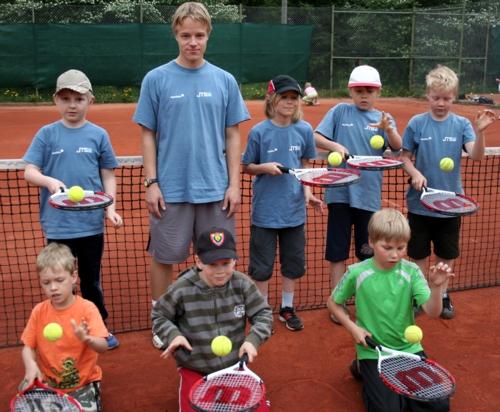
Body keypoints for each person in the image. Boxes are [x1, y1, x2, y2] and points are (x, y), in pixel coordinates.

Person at [132, 1, 250, 349]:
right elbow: (148, 134)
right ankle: (161, 320)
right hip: (170, 190)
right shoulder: (156, 79)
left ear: (208, 35)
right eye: (186, 35)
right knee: (165, 258)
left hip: (216, 190)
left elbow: (233, 135)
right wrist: (152, 183)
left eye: (199, 35)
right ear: (176, 35)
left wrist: (234, 185)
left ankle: (215, 318)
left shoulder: (224, 80)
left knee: (219, 258)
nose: (193, 42)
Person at [23, 69, 122, 349]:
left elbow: (108, 175)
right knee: (60, 281)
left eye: (78, 99)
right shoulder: (46, 135)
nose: (72, 105)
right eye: (65, 98)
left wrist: (110, 208)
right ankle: (66, 328)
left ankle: (99, 327)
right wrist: (48, 181)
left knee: (91, 281)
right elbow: (29, 171)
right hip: (57, 226)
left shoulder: (98, 135)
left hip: (91, 226)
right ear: (56, 100)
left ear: (90, 100)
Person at [328, 208, 454, 412]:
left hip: (409, 349)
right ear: (371, 242)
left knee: (438, 407)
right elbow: (333, 303)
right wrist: (353, 328)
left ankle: (369, 374)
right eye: (387, 247)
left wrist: (437, 287)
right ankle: (363, 368)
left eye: (401, 247)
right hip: (372, 351)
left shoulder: (412, 272)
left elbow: (432, 312)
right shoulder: (357, 273)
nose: (395, 254)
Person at [401, 65, 496, 319]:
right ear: (428, 95)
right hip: (419, 205)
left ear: (454, 97)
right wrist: (415, 173)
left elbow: (477, 156)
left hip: (451, 206)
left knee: (445, 255)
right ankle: (420, 296)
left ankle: (442, 296)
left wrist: (480, 133)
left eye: (446, 98)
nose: (441, 103)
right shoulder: (417, 123)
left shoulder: (462, 124)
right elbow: (405, 157)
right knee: (418, 255)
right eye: (436, 97)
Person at [314, 65, 402, 323]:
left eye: (369, 91)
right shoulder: (339, 111)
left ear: (378, 92)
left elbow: (397, 147)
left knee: (367, 253)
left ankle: (365, 301)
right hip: (339, 194)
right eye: (359, 90)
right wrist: (335, 145)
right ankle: (337, 302)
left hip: (368, 196)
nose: (364, 95)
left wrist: (388, 130)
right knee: (338, 251)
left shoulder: (384, 118)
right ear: (351, 91)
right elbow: (315, 136)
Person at [152, 227, 273, 411]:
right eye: (213, 264)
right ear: (199, 261)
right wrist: (174, 335)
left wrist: (253, 340)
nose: (220, 271)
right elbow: (160, 315)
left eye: (226, 263)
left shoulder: (242, 284)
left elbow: (263, 314)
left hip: (234, 367)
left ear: (234, 261)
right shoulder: (182, 288)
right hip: (195, 368)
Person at [242, 75, 323, 331]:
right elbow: (247, 166)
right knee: (262, 267)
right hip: (265, 213)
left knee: (293, 264)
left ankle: (287, 308)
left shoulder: (304, 130)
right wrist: (263, 168)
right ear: (272, 99)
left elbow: (305, 167)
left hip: (294, 212)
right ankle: (262, 310)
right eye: (284, 97)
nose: (289, 102)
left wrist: (308, 193)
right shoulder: (259, 132)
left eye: (294, 98)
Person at [19, 243, 109, 411]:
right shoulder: (39, 311)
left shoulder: (87, 309)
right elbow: (28, 347)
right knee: (25, 390)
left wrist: (87, 339)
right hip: (49, 383)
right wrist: (30, 365)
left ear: (73, 277)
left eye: (59, 280)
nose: (53, 287)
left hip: (83, 383)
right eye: (46, 282)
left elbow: (103, 346)